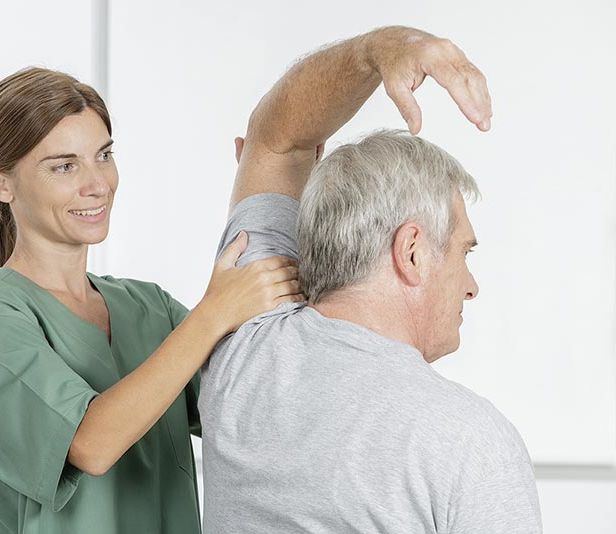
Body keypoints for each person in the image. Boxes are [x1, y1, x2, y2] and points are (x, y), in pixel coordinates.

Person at [200, 26, 543, 533]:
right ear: (411, 252)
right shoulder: (468, 440)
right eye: (463, 253)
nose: (472, 285)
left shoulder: (243, 346)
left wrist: (379, 50)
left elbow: (275, 141)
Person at [0, 67, 304, 534]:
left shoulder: (148, 307)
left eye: (103, 155)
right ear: (0, 183)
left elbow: (257, 403)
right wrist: (214, 313)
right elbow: (91, 445)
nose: (97, 183)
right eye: (64, 165)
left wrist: (289, 192)